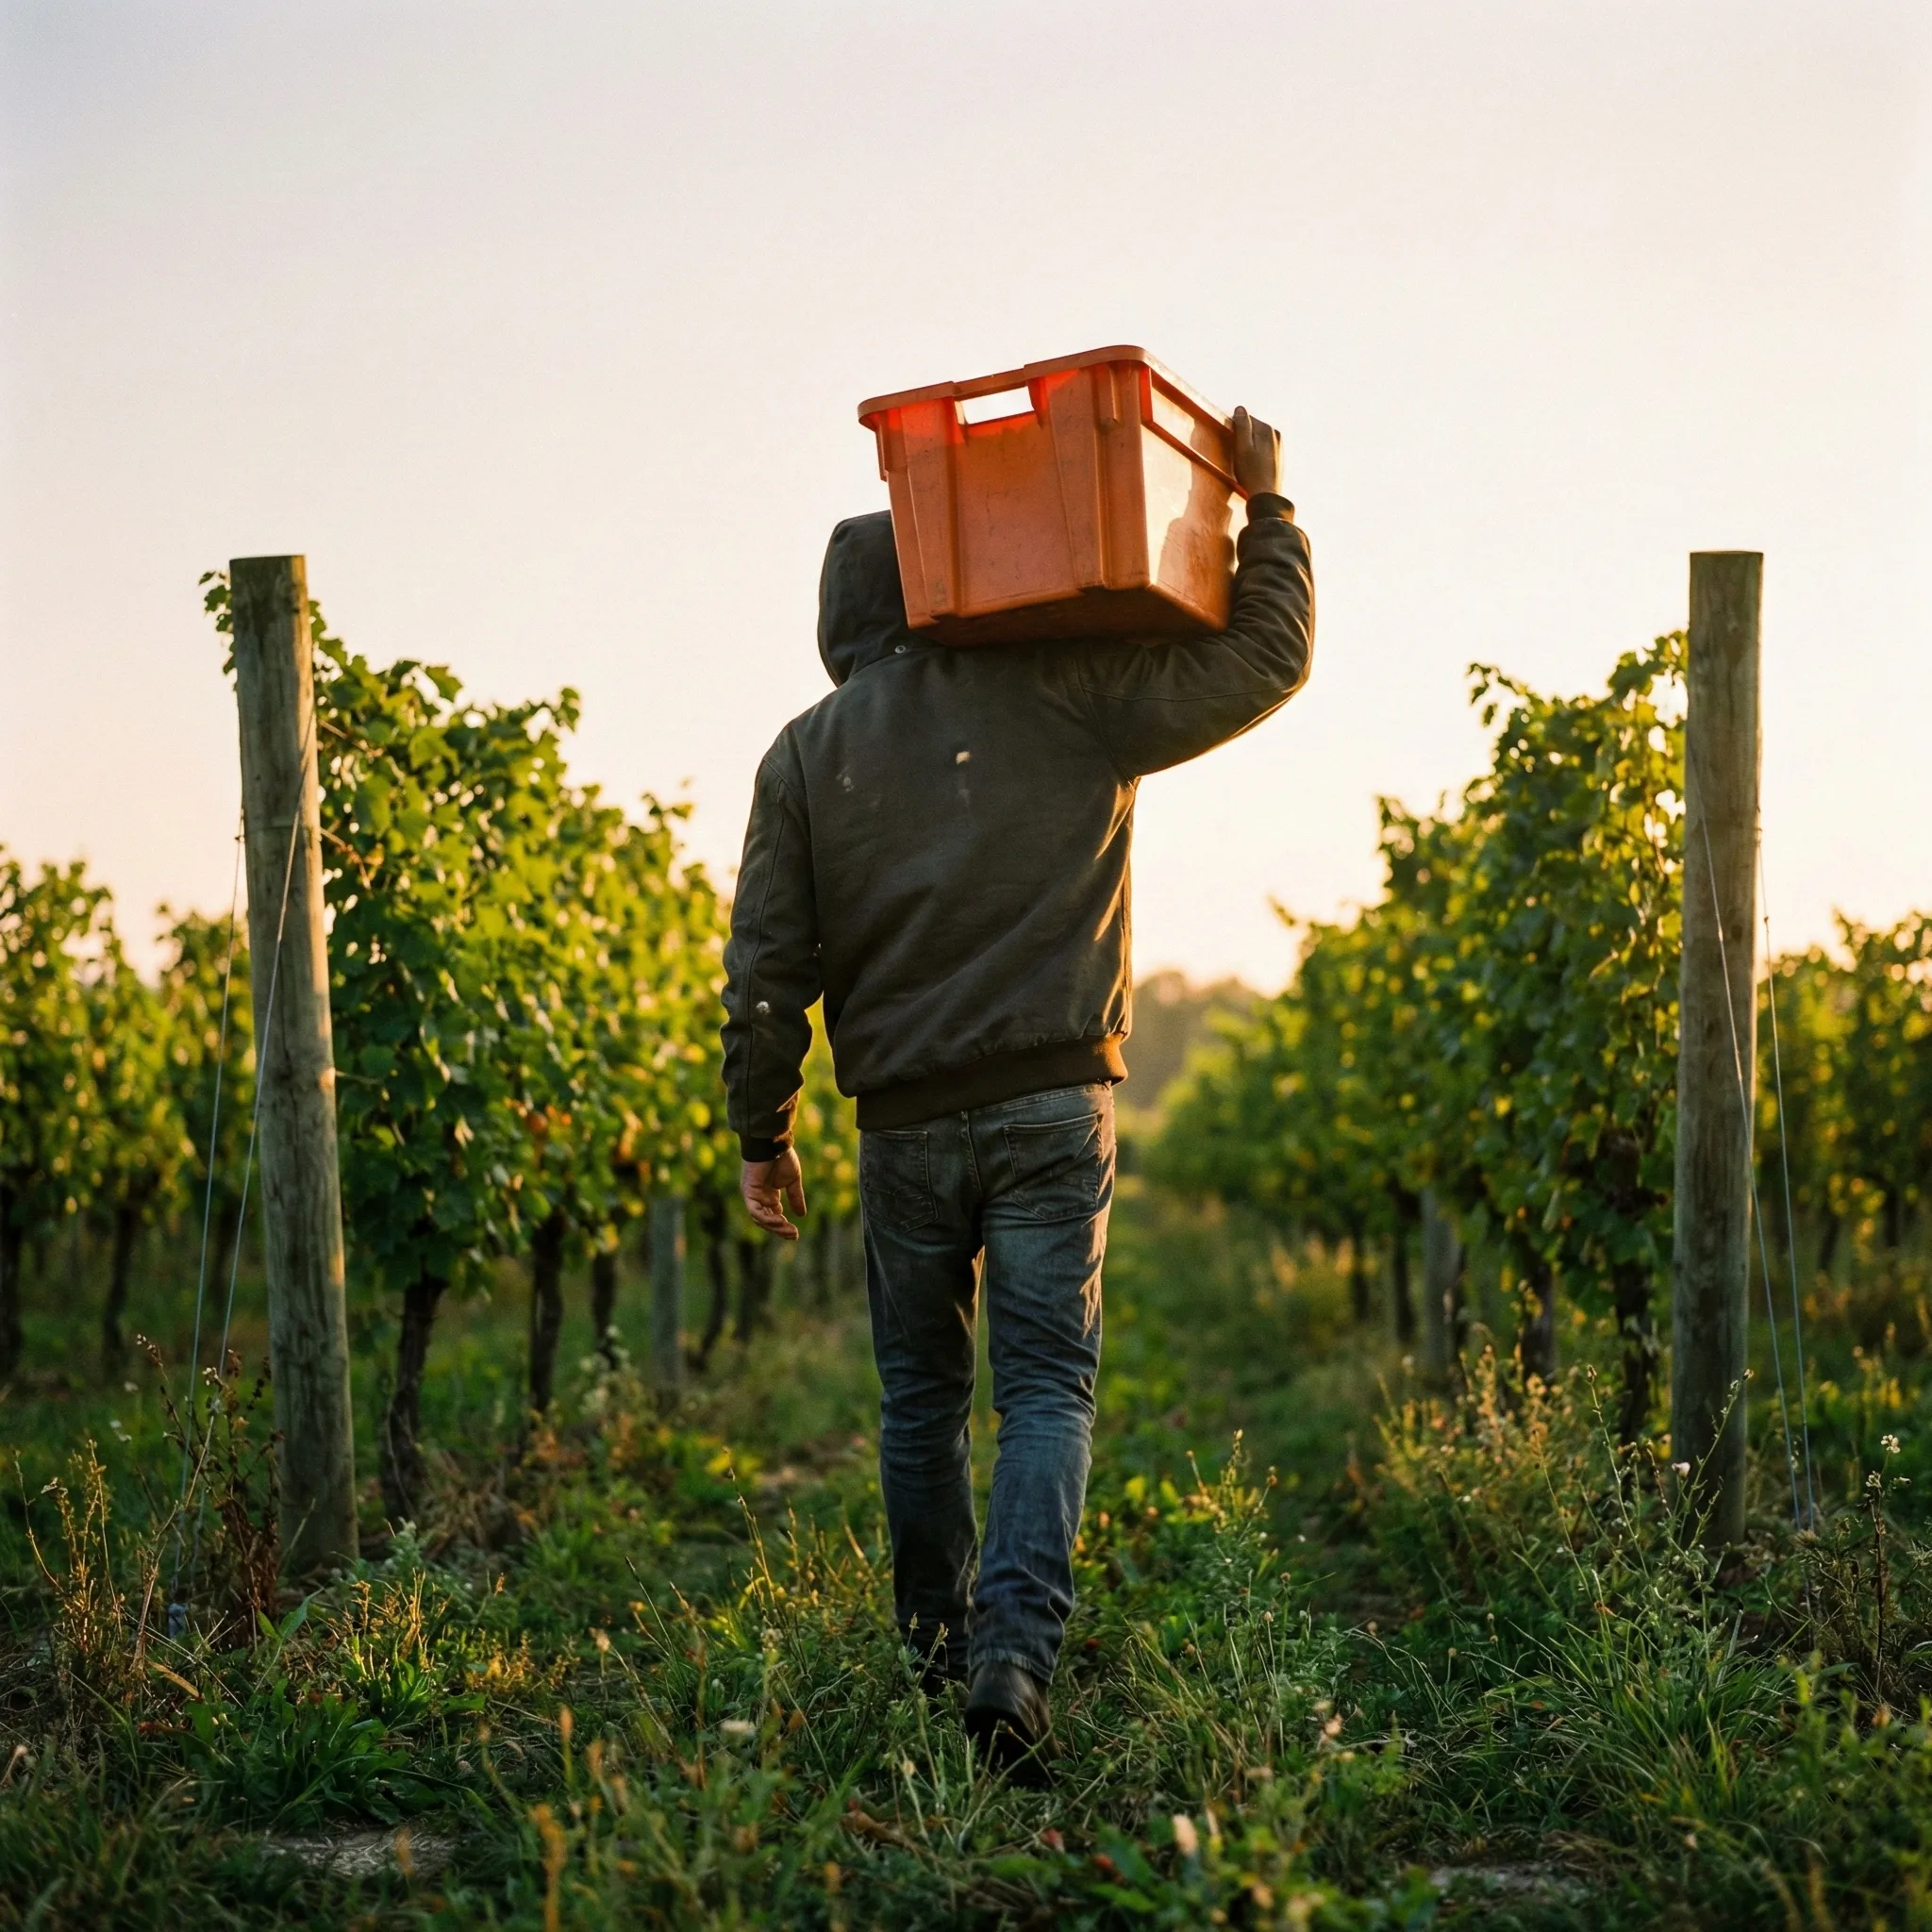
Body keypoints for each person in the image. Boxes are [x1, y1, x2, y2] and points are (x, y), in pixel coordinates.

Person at [720, 407, 1313, 1772]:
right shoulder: (1067, 688)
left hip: (905, 1124)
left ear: (837, 627)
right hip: (1056, 1107)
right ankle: (1013, 1663)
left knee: (922, 1396)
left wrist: (764, 1131)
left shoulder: (805, 755)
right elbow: (1263, 657)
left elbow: (768, 967)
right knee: (1046, 1387)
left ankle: (934, 1656)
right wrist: (1266, 512)